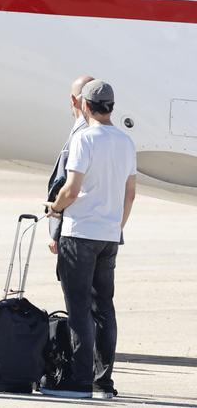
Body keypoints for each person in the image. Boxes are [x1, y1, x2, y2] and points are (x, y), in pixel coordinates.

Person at [44, 80, 136, 400]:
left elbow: (70, 189)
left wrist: (54, 209)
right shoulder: (125, 142)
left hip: (80, 233)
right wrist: (115, 226)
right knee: (104, 309)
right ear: (111, 106)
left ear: (85, 106)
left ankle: (79, 381)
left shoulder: (84, 138)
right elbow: (130, 193)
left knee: (78, 308)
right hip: (109, 237)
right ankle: (103, 381)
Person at [47, 75, 95, 257]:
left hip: (77, 232)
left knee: (77, 286)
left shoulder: (80, 137)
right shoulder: (113, 137)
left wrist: (55, 233)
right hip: (106, 234)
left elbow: (67, 186)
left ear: (73, 100)